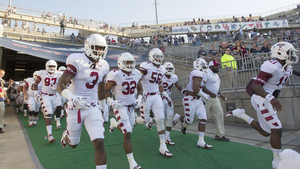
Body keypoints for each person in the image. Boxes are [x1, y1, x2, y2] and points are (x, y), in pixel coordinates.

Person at [226, 42, 299, 169]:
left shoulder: (286, 66)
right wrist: (271, 99)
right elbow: (256, 86)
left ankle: (242, 115)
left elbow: (293, 72)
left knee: (266, 132)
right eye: (289, 52)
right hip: (262, 98)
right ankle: (277, 162)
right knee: (276, 128)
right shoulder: (271, 65)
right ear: (280, 53)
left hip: (267, 98)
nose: (292, 54)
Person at [57, 34, 109, 169]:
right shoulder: (77, 60)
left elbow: (101, 90)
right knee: (73, 144)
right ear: (88, 47)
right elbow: (60, 84)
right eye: (96, 47)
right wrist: (72, 98)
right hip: (75, 106)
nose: (99, 51)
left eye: (102, 48)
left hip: (93, 106)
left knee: (99, 143)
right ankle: (66, 135)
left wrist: (104, 106)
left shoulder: (104, 65)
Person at [106, 52, 142, 169]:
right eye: (127, 62)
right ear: (121, 63)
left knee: (129, 130)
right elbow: (104, 91)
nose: (129, 65)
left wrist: (140, 98)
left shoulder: (136, 73)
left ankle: (114, 123)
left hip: (131, 106)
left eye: (131, 62)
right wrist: (111, 101)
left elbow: (140, 88)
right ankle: (132, 163)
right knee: (127, 133)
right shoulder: (115, 74)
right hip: (120, 106)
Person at [135, 48, 173, 157]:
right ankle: (134, 120)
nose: (159, 59)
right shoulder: (146, 65)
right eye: (157, 57)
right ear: (152, 56)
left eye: (160, 57)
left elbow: (160, 84)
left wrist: (166, 96)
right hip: (146, 96)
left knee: (160, 119)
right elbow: (137, 79)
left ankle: (162, 146)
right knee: (144, 120)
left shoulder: (162, 68)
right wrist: (139, 95)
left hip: (156, 95)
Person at [173, 58, 213, 149]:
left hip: (198, 100)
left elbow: (200, 87)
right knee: (189, 121)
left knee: (203, 119)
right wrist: (205, 96)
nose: (205, 67)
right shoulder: (197, 73)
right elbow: (195, 89)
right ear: (198, 66)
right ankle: (178, 117)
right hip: (190, 99)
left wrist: (208, 94)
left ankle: (201, 141)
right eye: (203, 65)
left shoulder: (202, 74)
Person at [34, 60, 63, 143]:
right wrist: (36, 92)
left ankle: (49, 115)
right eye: (50, 66)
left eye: (53, 66)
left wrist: (58, 87)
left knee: (52, 112)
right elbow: (35, 84)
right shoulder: (42, 73)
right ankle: (50, 134)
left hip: (55, 96)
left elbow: (64, 83)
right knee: (49, 113)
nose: (51, 68)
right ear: (46, 66)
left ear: (56, 67)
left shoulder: (59, 74)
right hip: (45, 95)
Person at [203, 60, 230, 142]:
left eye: (218, 66)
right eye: (216, 66)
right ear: (211, 66)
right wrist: (211, 93)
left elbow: (215, 86)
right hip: (206, 97)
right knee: (198, 116)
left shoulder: (216, 74)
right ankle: (185, 124)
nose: (218, 67)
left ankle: (220, 134)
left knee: (219, 113)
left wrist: (220, 94)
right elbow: (202, 86)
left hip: (214, 98)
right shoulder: (206, 73)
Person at [161, 62, 182, 145]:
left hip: (168, 99)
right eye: (167, 69)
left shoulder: (174, 77)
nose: (169, 70)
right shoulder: (161, 76)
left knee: (170, 117)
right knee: (160, 118)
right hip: (159, 99)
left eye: (170, 69)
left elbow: (177, 85)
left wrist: (183, 91)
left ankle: (167, 137)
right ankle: (151, 120)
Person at [0, 69, 10, 133]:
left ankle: (1, 124)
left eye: (3, 74)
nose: (2, 75)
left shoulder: (2, 81)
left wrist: (6, 98)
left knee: (2, 113)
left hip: (1, 99)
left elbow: (4, 90)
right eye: (1, 73)